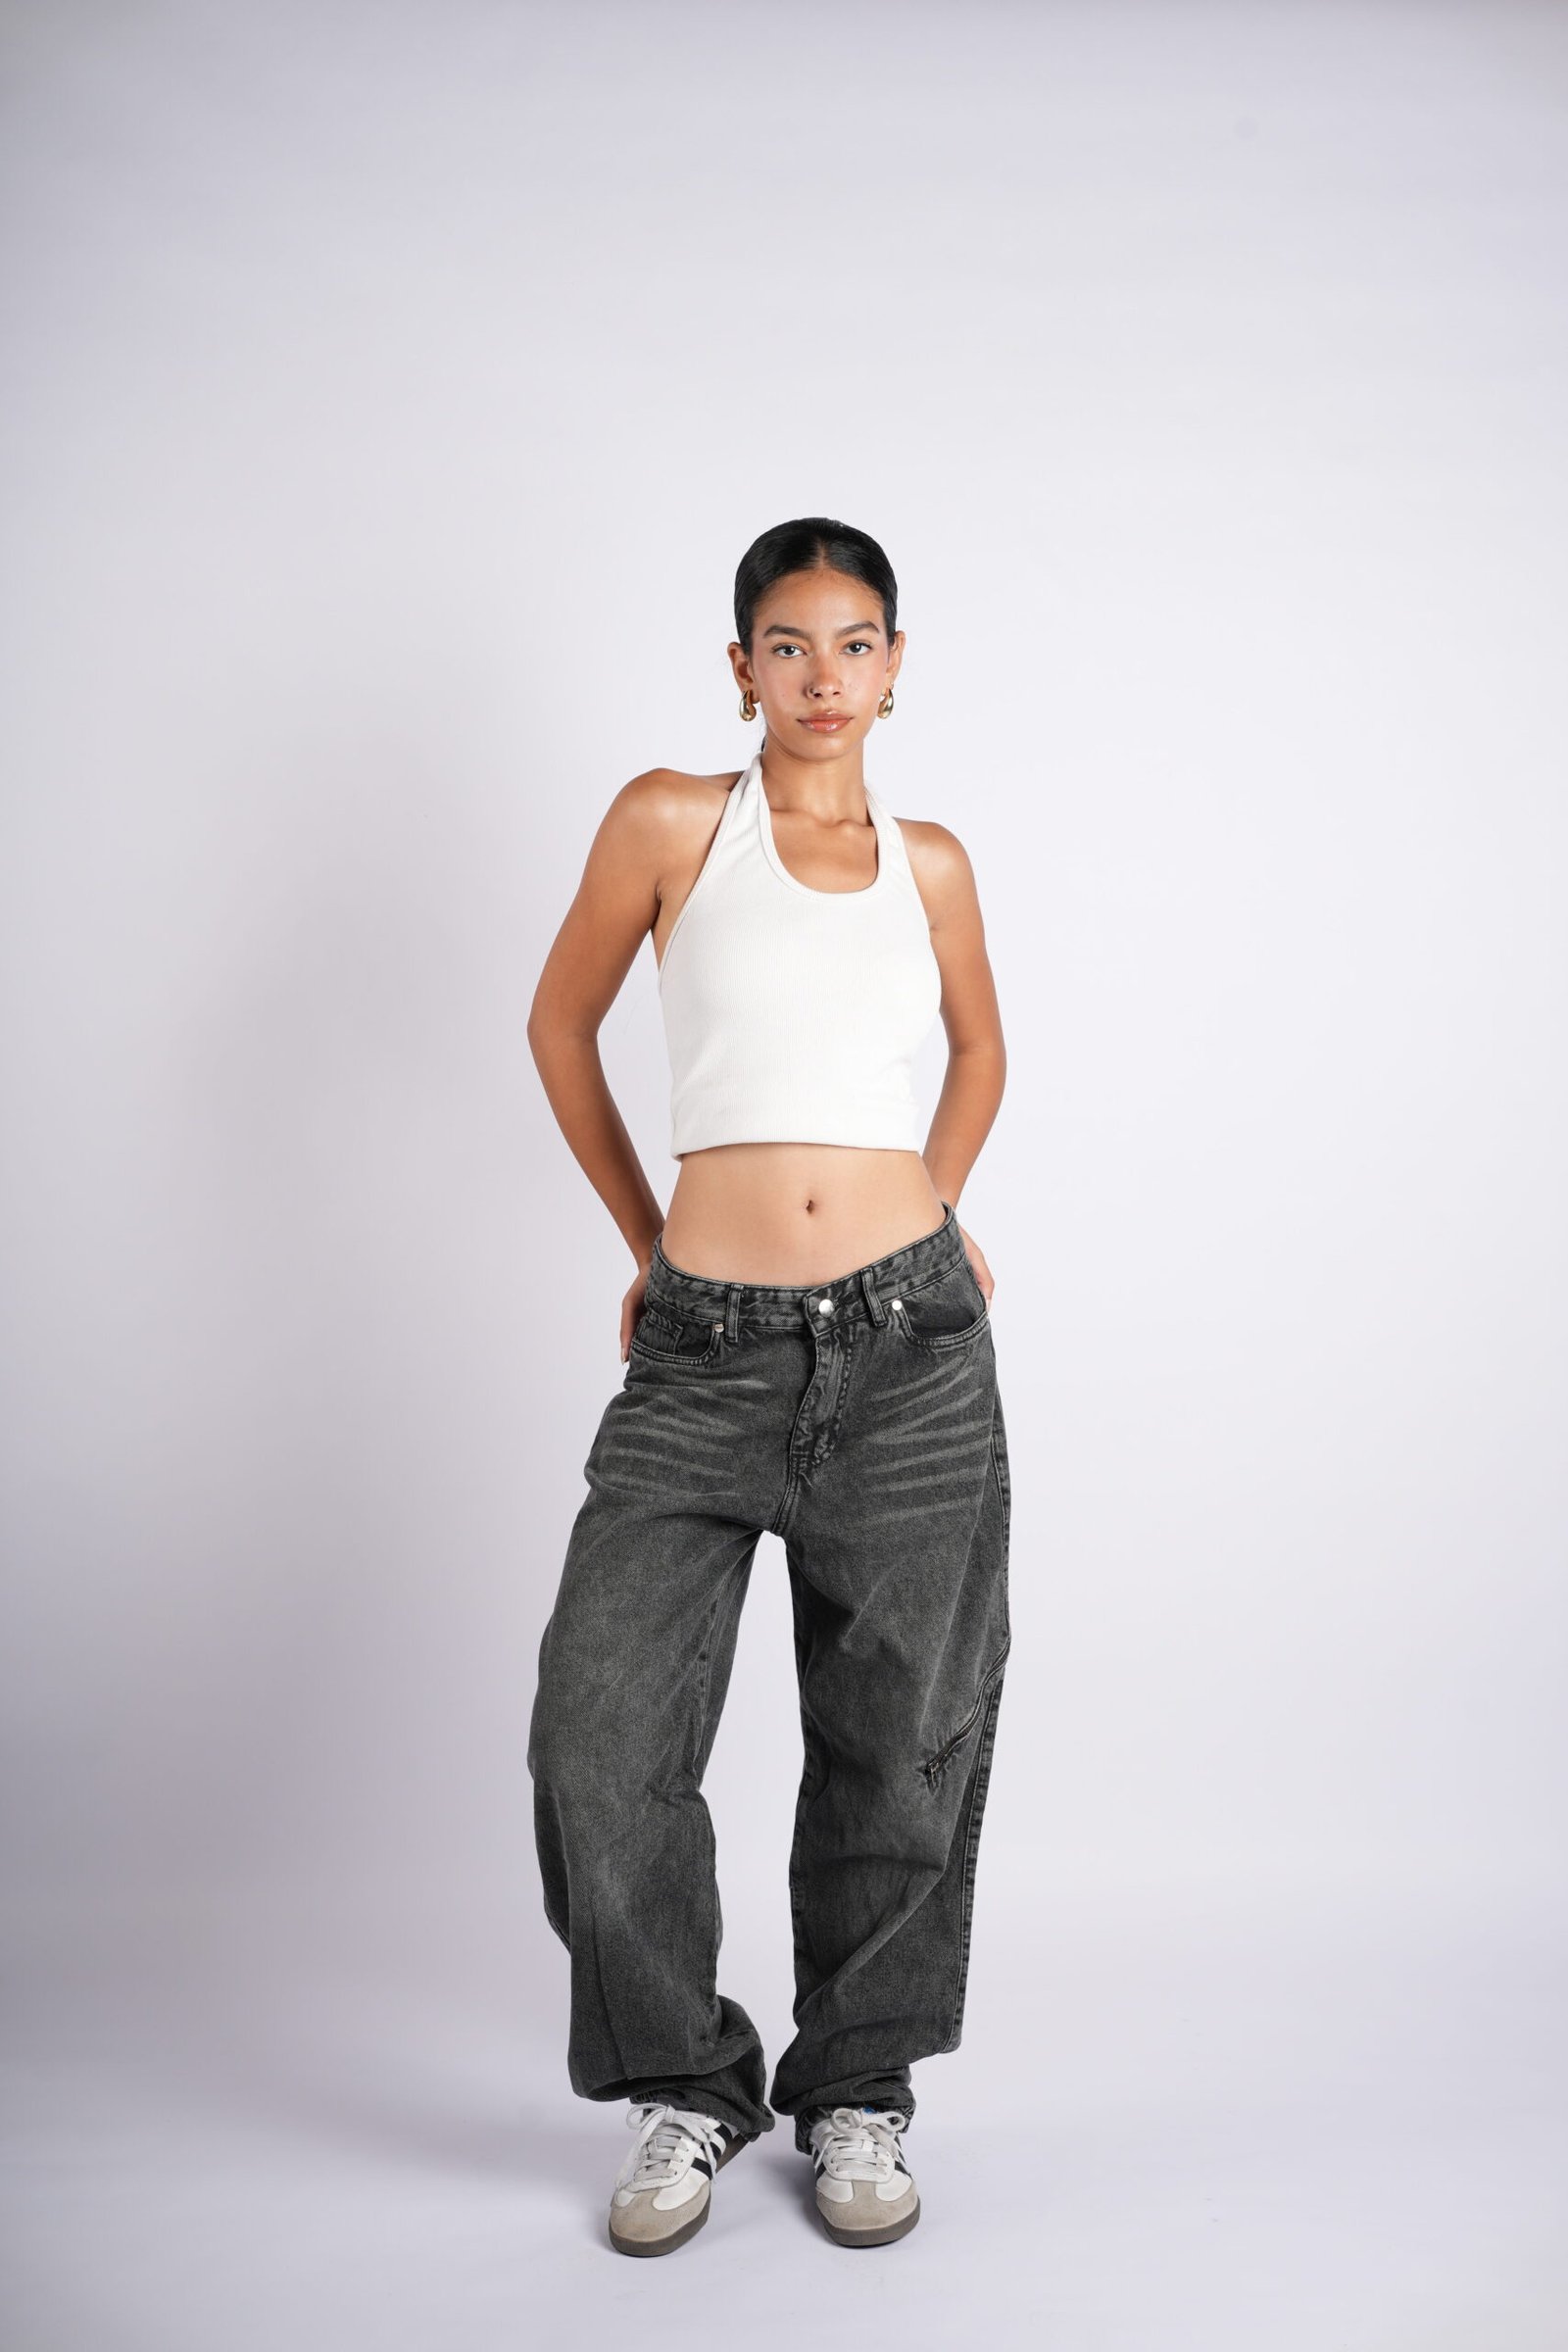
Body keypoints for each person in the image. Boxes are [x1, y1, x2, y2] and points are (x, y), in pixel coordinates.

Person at [525, 515, 1011, 2256]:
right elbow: (558, 1025)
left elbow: (982, 1048)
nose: (824, 676)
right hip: (705, 1349)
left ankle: (860, 2087)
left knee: (900, 1743)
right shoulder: (673, 823)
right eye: (789, 645)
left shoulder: (930, 861)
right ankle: (685, 2081)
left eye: (855, 643)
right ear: (740, 666)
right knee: (597, 1734)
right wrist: (650, 1240)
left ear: (896, 666)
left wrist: (932, 1208)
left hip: (911, 1351)